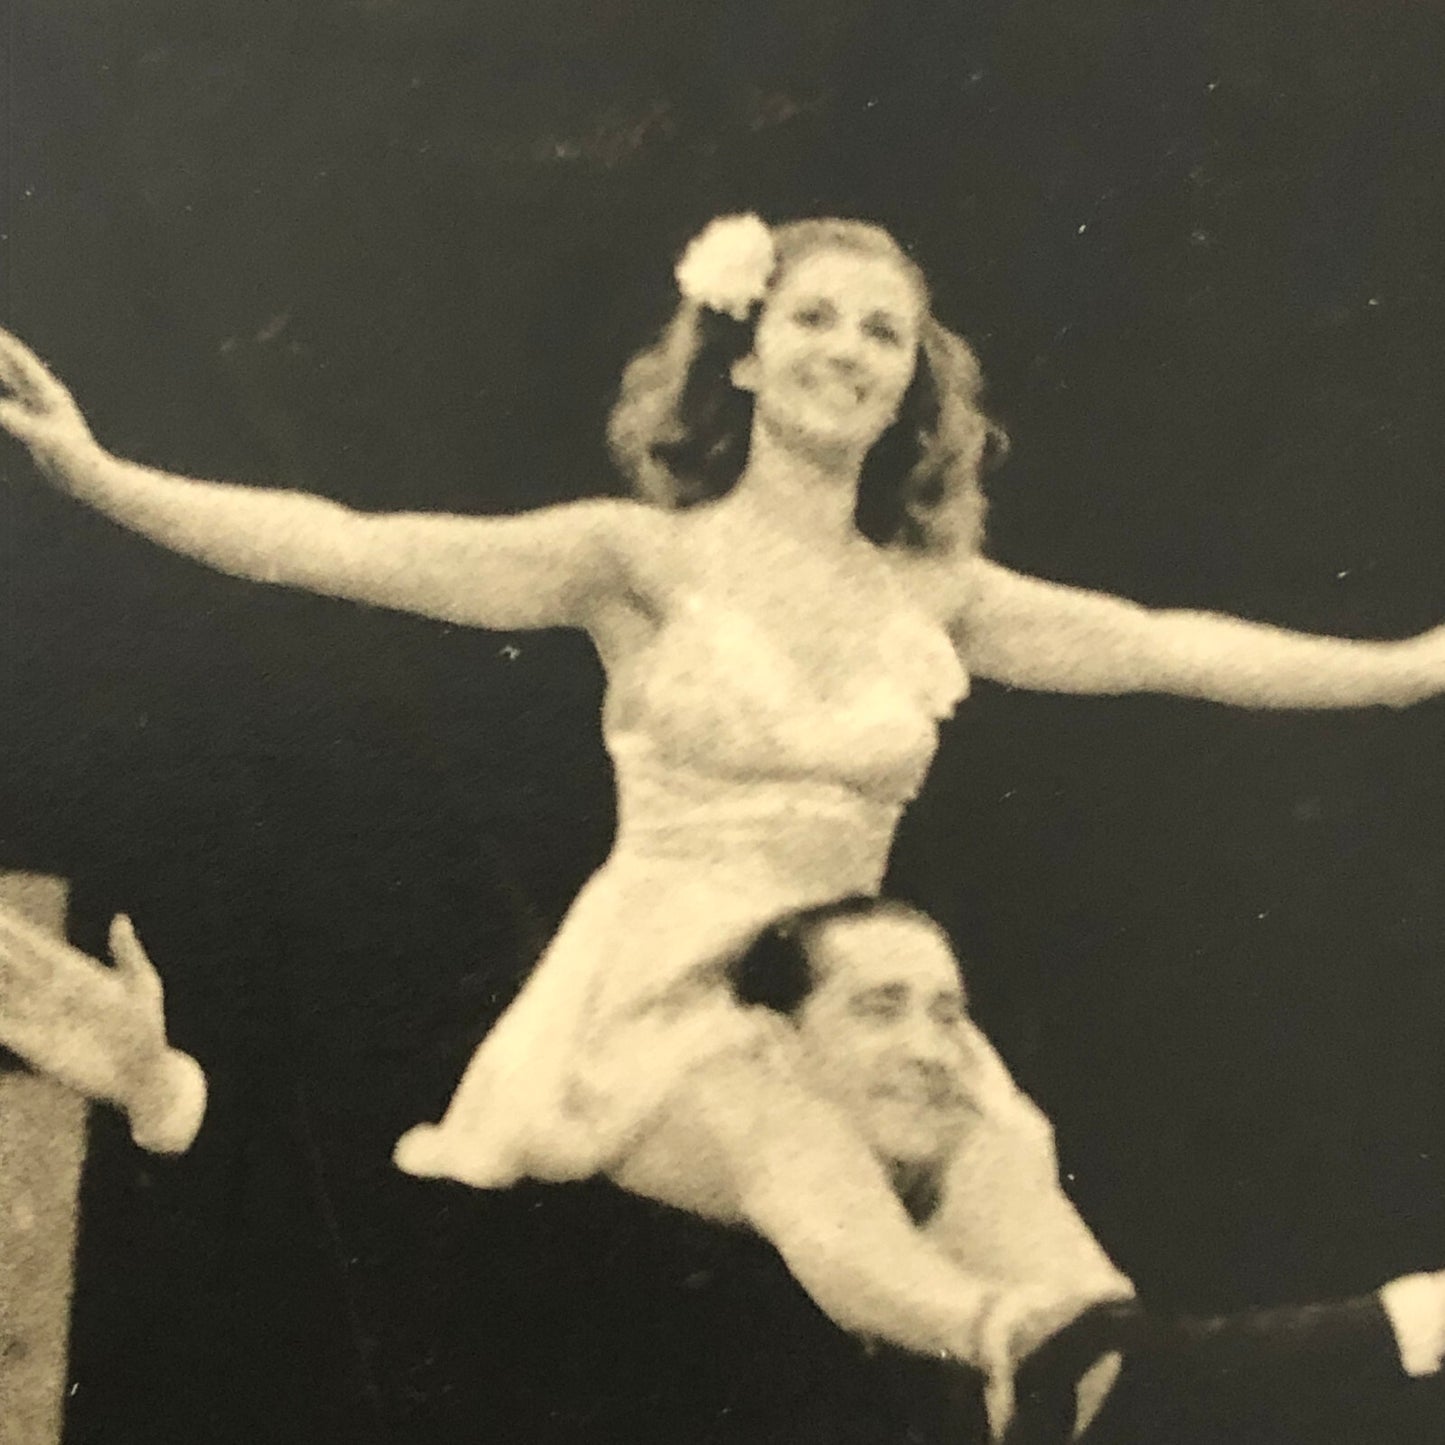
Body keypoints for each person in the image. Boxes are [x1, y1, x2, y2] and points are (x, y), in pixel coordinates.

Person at [1, 212, 1443, 1397]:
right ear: (745, 355)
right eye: (816, 316)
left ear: (909, 389)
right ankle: (1017, 1344)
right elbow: (349, 547)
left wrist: (1404, 670)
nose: (850, 350)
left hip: (858, 987)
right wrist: (102, 475)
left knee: (1006, 1163)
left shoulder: (937, 594)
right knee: (781, 1131)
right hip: (660, 999)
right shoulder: (635, 559)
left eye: (884, 333)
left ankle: (1158, 1379)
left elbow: (1157, 642)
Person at [715, 896, 1445, 1444]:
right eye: (878, 1009)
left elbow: (1113, 1388)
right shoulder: (708, 1270)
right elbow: (1142, 1389)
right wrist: (1413, 1316)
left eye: (947, 1015)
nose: (932, 1051)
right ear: (777, 1044)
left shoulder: (927, 1233)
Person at [0, 902, 207, 1154]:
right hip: (39, 992)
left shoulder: (112, 1076)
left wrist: (123, 932)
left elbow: (127, 949)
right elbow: (129, 952)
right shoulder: (142, 1024)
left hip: (34, 1006)